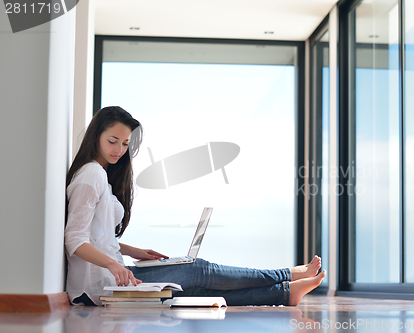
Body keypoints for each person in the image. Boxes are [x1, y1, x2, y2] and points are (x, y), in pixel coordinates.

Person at [64, 106, 326, 306]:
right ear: (96, 135)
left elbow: (96, 235)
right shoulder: (91, 175)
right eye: (113, 141)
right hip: (99, 286)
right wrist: (113, 265)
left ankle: (285, 293)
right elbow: (74, 239)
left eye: (125, 143)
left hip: (112, 279)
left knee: (197, 291)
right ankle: (285, 275)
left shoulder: (100, 175)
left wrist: (134, 250)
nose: (119, 150)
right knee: (199, 269)